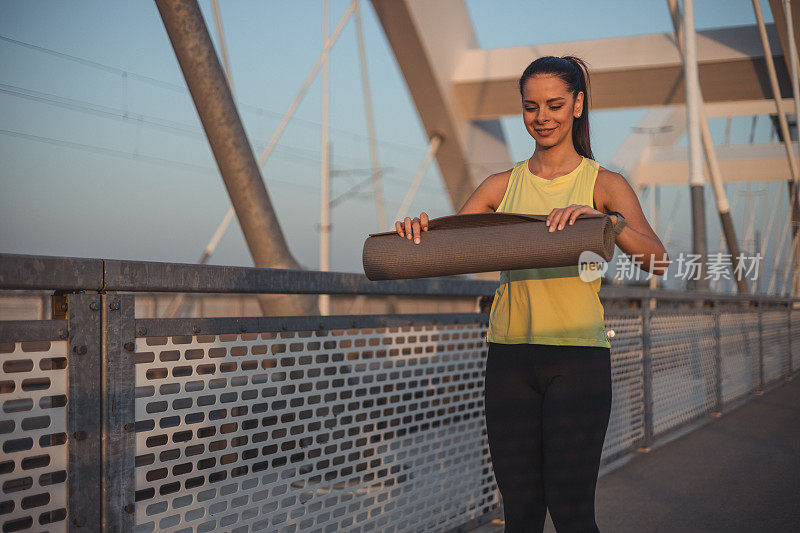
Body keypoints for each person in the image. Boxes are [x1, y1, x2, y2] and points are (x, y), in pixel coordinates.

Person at [395, 55, 669, 532]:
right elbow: (449, 250)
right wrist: (421, 229)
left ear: (578, 105)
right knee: (519, 514)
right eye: (530, 107)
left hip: (578, 359)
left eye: (555, 104)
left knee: (570, 511)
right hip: (509, 360)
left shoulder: (604, 185)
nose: (542, 117)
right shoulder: (501, 187)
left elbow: (657, 259)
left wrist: (607, 223)